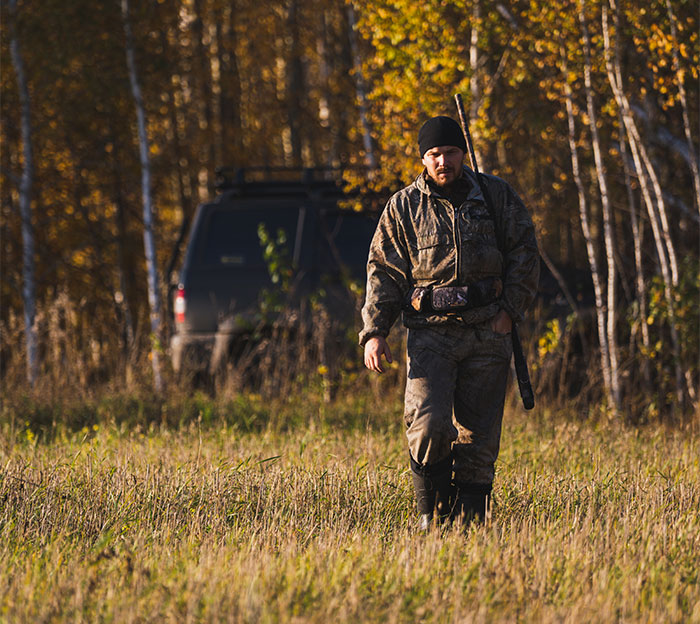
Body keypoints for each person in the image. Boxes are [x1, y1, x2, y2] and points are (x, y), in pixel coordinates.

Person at [359, 115, 539, 530]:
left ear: (463, 154)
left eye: (451, 152)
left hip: (488, 332)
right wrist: (375, 332)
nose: (444, 161)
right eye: (434, 154)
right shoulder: (404, 206)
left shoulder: (496, 196)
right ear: (423, 159)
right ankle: (432, 520)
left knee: (479, 439)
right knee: (428, 424)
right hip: (430, 336)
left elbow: (525, 253)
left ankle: (471, 526)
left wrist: (509, 312)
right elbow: (383, 271)